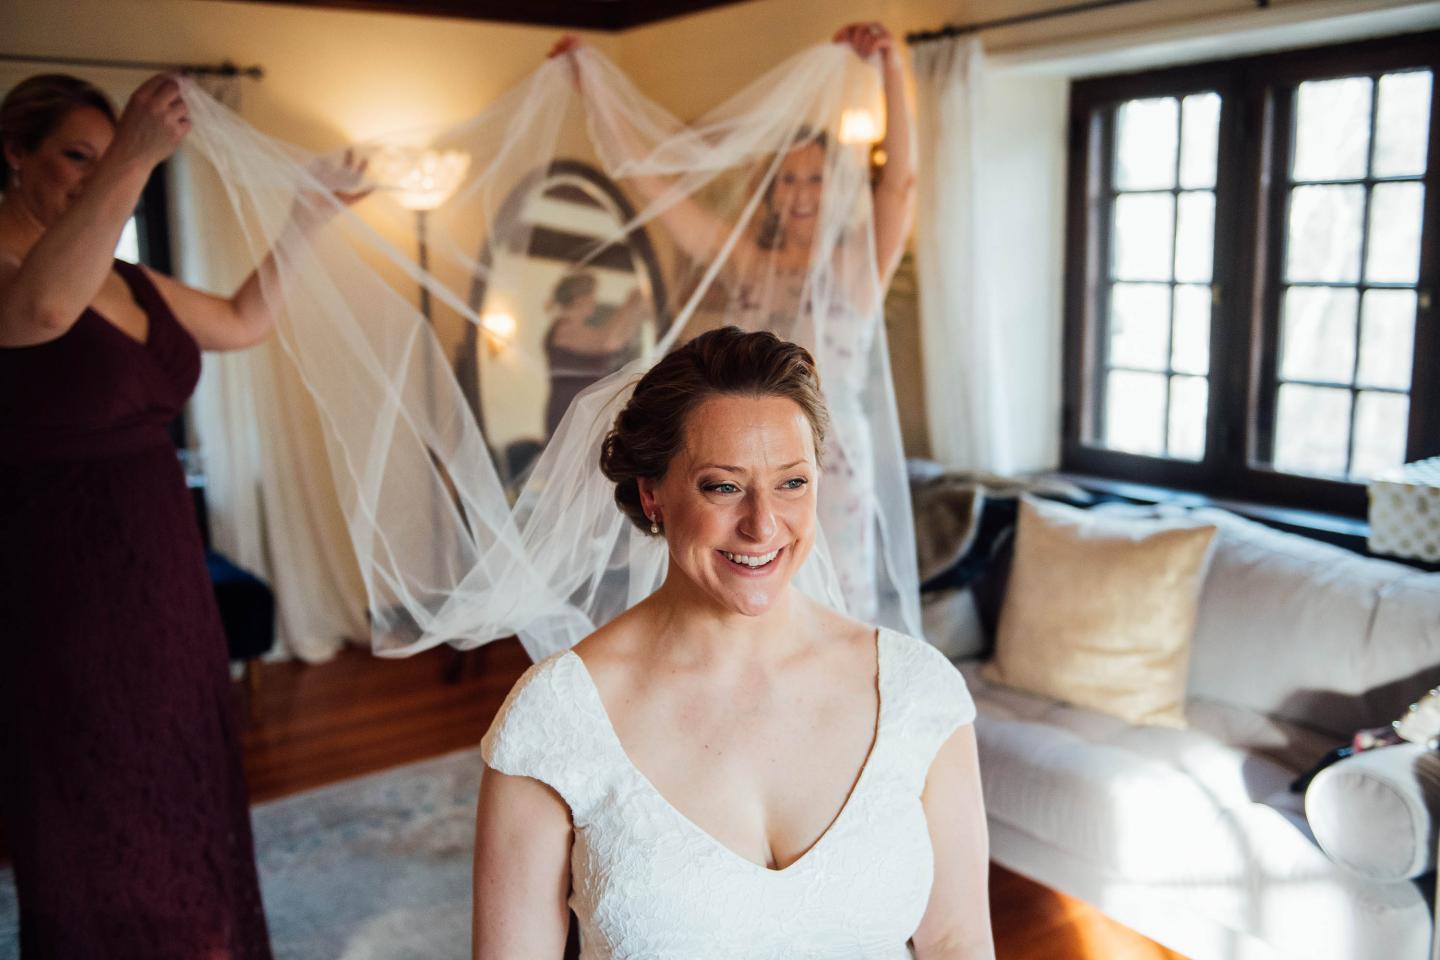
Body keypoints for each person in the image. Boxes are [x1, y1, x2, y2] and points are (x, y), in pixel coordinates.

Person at [473, 327, 994, 959]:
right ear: (652, 494)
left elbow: (959, 940)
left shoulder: (918, 691)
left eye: (792, 483)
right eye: (722, 486)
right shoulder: (556, 716)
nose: (763, 524)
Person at [0, 72, 363, 957]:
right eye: (74, 158)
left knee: (183, 763)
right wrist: (132, 151)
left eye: (106, 154)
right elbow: (43, 311)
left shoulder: (126, 277)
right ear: (14, 156)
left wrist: (309, 215)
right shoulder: (23, 276)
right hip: (59, 575)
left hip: (160, 559)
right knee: (95, 782)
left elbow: (242, 319)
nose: (94, 176)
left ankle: (206, 934)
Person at [550, 23, 917, 623]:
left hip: (832, 467)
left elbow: (900, 185)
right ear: (769, 193)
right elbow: (659, 193)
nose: (800, 194)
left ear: (839, 187)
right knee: (738, 595)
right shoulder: (749, 265)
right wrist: (594, 85)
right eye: (787, 179)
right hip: (741, 455)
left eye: (815, 178)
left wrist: (891, 68)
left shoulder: (856, 270)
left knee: (830, 611)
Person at [543, 272, 647, 438]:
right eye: (592, 296)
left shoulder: (580, 329)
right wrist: (631, 303)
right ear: (579, 299)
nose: (594, 302)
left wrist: (636, 309)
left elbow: (620, 337)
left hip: (587, 412)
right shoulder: (563, 329)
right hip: (569, 412)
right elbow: (609, 341)